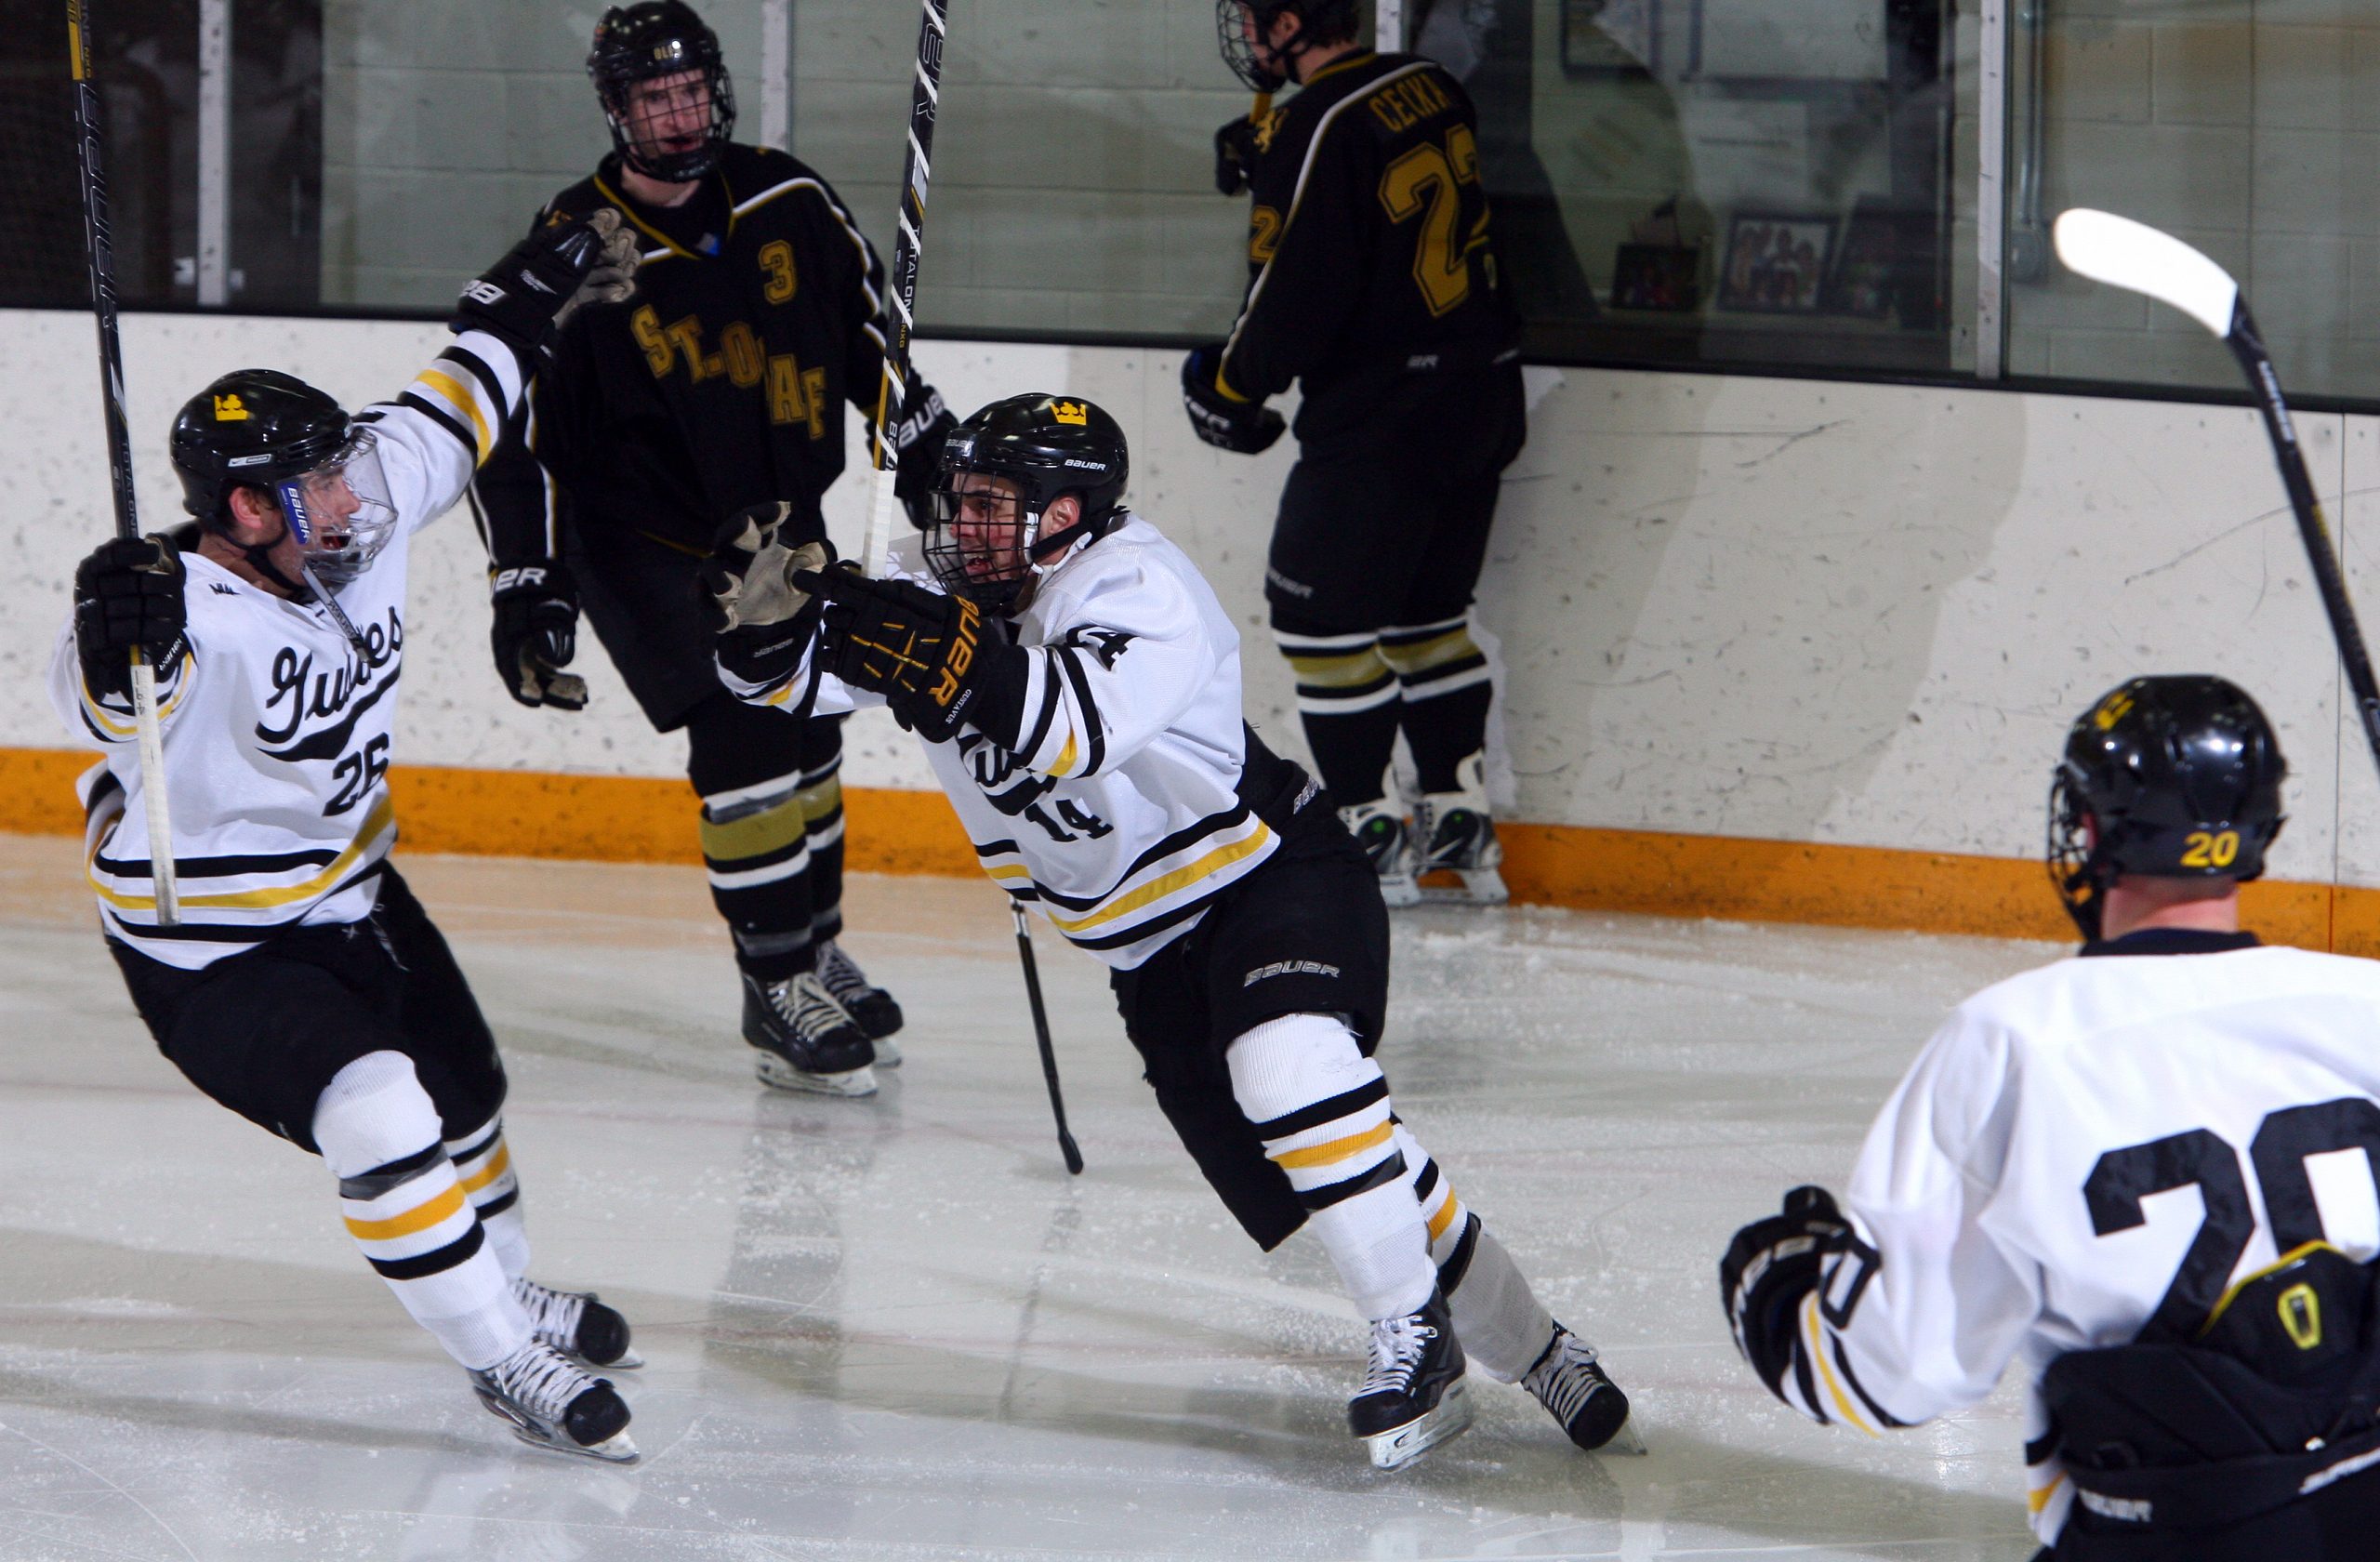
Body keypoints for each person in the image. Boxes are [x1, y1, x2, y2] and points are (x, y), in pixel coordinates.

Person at [700, 392, 1634, 1469]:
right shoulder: (931, 582)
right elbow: (782, 689)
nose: (968, 528)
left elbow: (1065, 731)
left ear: (1071, 513)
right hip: (1144, 956)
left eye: (998, 506)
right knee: (1346, 1164)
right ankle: (1538, 1347)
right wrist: (765, 621)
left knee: (1289, 1073)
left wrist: (928, 645)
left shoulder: (1138, 585)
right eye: (962, 501)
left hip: (1268, 878)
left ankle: (1410, 1336)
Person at [52, 211, 646, 1462]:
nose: (348, 494)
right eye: (314, 481)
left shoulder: (355, 506)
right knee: (377, 1110)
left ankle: (497, 1284)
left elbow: (458, 402)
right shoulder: (179, 617)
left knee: (468, 1095)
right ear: (247, 511)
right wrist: (116, 636)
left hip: (354, 892)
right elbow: (105, 702)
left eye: (339, 468)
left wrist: (526, 296)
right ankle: (500, 1357)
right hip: (213, 952)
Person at [1718, 675, 2380, 1559]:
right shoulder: (2361, 1001)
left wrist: (1781, 1290)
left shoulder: (2014, 1040)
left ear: (2094, 828)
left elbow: (1888, 1375)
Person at [469, 0, 957, 1098]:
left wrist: (921, 448)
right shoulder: (576, 246)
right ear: (617, 110)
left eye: (692, 90)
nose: (681, 114)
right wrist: (524, 582)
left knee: (813, 731)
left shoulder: (789, 197)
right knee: (743, 738)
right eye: (655, 97)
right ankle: (773, 978)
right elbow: (510, 427)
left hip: (778, 525)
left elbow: (869, 342)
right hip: (647, 541)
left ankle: (810, 942)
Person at [1188, 0, 1527, 907]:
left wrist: (1229, 385)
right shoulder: (1430, 86)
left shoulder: (1316, 126)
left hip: (1385, 418)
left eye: (1257, 20)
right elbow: (1373, 202)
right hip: (1481, 392)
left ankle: (1364, 827)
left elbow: (1293, 289)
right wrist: (1278, 150)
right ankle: (1458, 814)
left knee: (1319, 630)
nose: (1248, 39)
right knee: (1427, 621)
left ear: (1292, 22)